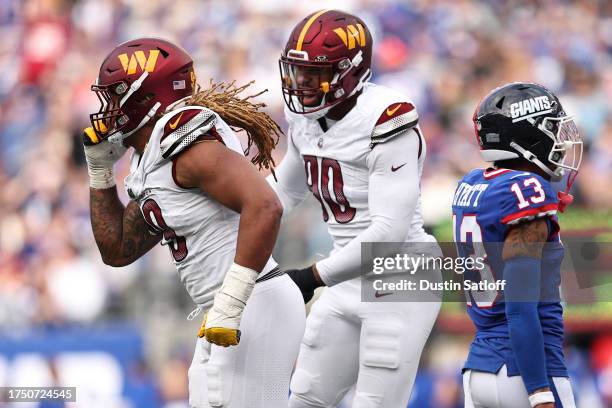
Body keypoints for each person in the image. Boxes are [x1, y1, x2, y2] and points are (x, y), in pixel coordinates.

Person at [83, 37, 305, 408]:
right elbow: (117, 250)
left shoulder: (186, 146)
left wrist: (232, 301)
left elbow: (266, 206)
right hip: (228, 307)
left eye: (115, 98)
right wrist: (100, 172)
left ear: (145, 98)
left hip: (252, 302)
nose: (108, 111)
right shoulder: (153, 158)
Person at [269, 9, 441, 407]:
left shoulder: (386, 118)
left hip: (401, 275)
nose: (302, 84)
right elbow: (282, 192)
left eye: (315, 74)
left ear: (350, 71)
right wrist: (229, 216)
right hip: (345, 274)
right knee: (306, 398)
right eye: (298, 72)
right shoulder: (305, 120)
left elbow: (388, 233)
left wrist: (312, 276)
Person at [452, 82, 582, 408]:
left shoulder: (472, 183)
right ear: (527, 136)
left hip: (478, 368)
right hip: (526, 371)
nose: (560, 142)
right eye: (551, 130)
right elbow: (520, 308)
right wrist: (539, 393)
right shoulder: (527, 190)